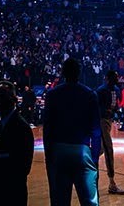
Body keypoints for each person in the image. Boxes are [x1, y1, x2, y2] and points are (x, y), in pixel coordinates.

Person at [43, 57, 102, 206]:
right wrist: (94, 158)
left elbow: (47, 129)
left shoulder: (52, 94)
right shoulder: (89, 94)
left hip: (58, 150)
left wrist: (49, 155)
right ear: (79, 73)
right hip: (82, 150)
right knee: (90, 201)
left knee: (59, 201)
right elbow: (96, 129)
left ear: (63, 73)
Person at [94, 71, 124, 195]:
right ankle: (112, 183)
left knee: (101, 149)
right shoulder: (101, 91)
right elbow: (96, 107)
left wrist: (116, 111)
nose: (117, 78)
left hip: (108, 120)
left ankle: (87, 165)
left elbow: (115, 104)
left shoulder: (117, 90)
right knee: (108, 148)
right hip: (102, 120)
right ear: (107, 78)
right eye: (115, 77)